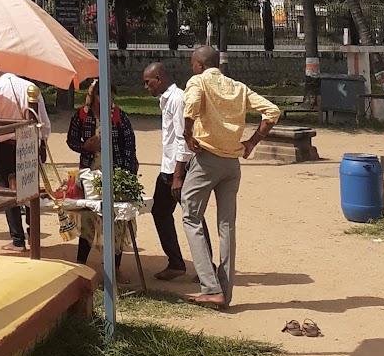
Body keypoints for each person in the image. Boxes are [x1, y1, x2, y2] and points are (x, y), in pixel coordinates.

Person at [181, 45, 281, 308]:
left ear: (199, 65)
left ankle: (210, 287)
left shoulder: (198, 81)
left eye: (193, 64)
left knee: (190, 217)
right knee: (227, 227)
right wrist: (252, 142)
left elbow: (190, 106)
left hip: (206, 160)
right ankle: (225, 291)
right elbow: (272, 112)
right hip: (232, 164)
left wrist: (188, 135)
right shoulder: (238, 87)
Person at [66, 79, 139, 267]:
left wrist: (128, 175)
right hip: (90, 175)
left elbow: (130, 146)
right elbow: (71, 139)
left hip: (115, 173)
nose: (108, 99)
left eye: (111, 95)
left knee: (117, 221)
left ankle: (115, 269)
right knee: (88, 217)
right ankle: (81, 264)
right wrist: (84, 147)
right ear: (94, 96)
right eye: (102, 94)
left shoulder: (119, 117)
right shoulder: (82, 116)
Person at [0, 71, 50, 253]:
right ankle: (33, 235)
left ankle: (18, 240)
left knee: (9, 192)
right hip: (29, 145)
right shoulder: (32, 89)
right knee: (29, 188)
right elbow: (44, 122)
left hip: (4, 147)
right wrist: (42, 145)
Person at [142, 61, 191, 280]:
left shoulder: (178, 99)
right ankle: (176, 263)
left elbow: (183, 139)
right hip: (168, 168)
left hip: (178, 170)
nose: (146, 87)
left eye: (148, 82)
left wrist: (178, 176)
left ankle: (206, 265)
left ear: (158, 79)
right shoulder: (166, 100)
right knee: (160, 211)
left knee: (193, 217)